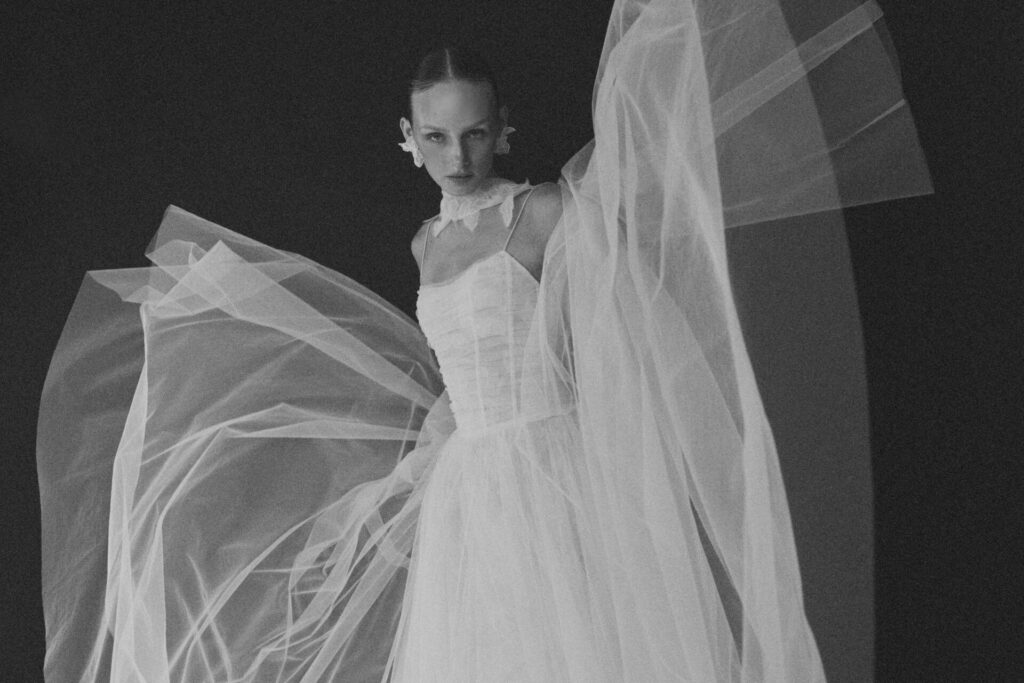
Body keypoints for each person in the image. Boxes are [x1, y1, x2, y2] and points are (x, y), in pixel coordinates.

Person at [37, 1, 932, 681]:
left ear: (503, 130)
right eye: (436, 136)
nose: (457, 156)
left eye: (473, 133)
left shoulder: (546, 215)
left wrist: (614, 461)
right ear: (408, 141)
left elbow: (610, 341)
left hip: (553, 474)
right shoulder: (425, 245)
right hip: (469, 493)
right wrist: (417, 474)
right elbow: (457, 383)